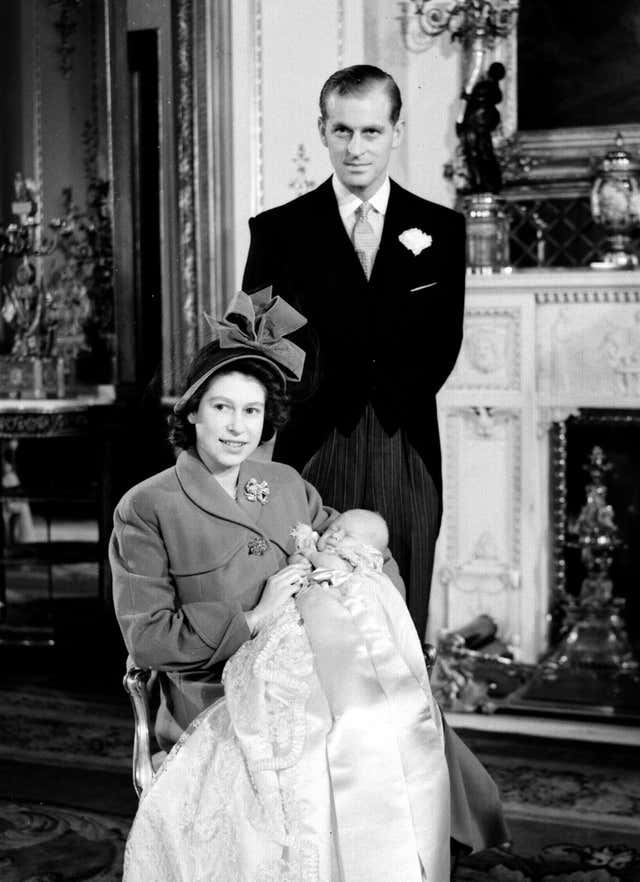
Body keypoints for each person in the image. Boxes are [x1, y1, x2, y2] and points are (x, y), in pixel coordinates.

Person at [112, 289, 507, 879]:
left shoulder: (285, 483)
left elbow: (358, 553)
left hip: (316, 664)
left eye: (251, 412)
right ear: (192, 411)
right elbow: (148, 639)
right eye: (221, 408)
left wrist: (359, 595)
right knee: (349, 737)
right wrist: (254, 616)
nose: (237, 427)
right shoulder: (146, 506)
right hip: (217, 690)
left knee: (391, 711)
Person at [242, 64, 466, 640]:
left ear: (396, 131)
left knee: (402, 612)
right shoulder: (278, 231)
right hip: (314, 443)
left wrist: (387, 401)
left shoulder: (439, 228)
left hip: (405, 443)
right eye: (342, 131)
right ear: (322, 131)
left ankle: (408, 728)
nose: (356, 148)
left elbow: (444, 340)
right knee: (311, 617)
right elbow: (255, 340)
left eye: (371, 132)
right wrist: (314, 402)